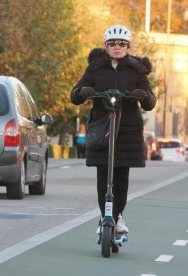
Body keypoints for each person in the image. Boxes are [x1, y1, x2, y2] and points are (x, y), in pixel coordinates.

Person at [70, 25, 156, 234]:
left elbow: (151, 101)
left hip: (127, 129)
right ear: (106, 46)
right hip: (103, 128)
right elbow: (74, 95)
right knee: (103, 175)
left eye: (122, 44)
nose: (117, 47)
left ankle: (118, 217)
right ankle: (105, 217)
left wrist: (143, 96)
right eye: (112, 44)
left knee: (121, 175)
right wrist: (83, 91)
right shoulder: (95, 67)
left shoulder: (137, 69)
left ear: (128, 46)